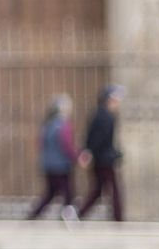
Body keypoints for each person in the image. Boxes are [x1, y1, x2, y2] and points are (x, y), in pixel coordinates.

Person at [25, 93, 77, 222]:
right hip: (61, 165)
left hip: (48, 164)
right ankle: (68, 216)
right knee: (68, 192)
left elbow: (40, 144)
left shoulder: (47, 124)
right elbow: (67, 145)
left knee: (51, 193)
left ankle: (34, 215)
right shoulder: (63, 125)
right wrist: (76, 156)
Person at [76, 84, 125, 221]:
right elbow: (99, 139)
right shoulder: (107, 117)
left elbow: (91, 137)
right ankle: (118, 218)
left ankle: (79, 214)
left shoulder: (98, 114)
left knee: (98, 190)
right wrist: (89, 153)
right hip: (104, 159)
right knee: (113, 189)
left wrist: (87, 151)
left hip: (100, 158)